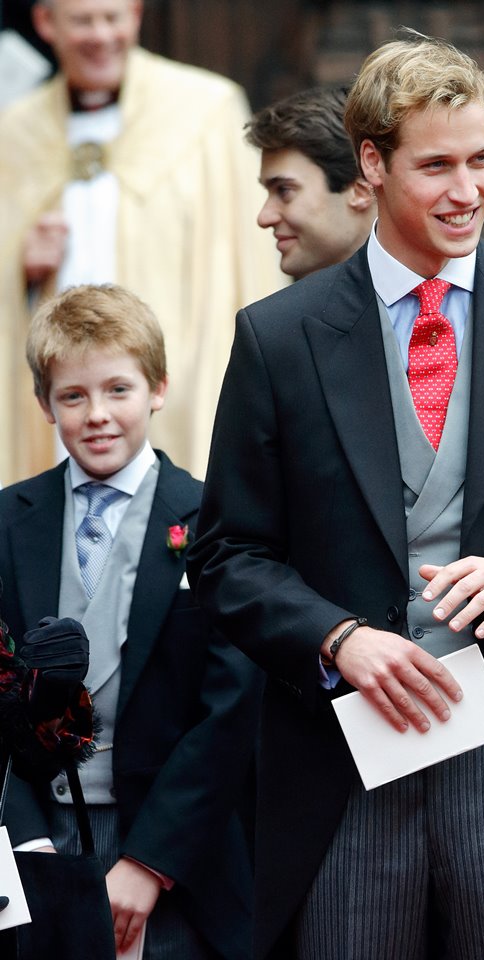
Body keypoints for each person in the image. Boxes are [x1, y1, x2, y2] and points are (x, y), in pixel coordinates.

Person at [188, 33, 484, 960]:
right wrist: (338, 640)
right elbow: (226, 555)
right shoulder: (282, 338)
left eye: (481, 160)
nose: (471, 191)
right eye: (437, 165)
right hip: (345, 769)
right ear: (371, 165)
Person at [0, 284, 261, 960]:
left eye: (118, 389)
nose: (97, 416)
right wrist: (25, 837)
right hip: (36, 837)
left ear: (158, 388)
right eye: (73, 397)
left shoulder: (213, 521)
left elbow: (230, 705)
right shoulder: (8, 521)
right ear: (44, 404)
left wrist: (150, 862)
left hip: (174, 849)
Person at [0, 0, 283, 487]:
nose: (100, 36)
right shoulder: (15, 132)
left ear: (136, 16)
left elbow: (247, 258)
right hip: (66, 388)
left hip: (178, 374)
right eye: (83, 21)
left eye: (112, 18)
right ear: (47, 23)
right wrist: (19, 267)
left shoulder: (205, 111)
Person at [245, 86, 376, 279]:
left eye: (284, 190)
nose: (264, 218)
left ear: (360, 192)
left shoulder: (428, 298)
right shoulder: (279, 309)